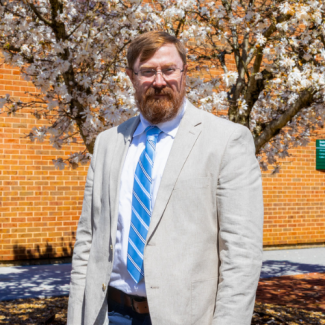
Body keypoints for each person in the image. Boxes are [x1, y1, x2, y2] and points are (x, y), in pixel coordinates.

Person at [67, 31, 264, 325]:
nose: (159, 81)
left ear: (185, 73)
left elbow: (241, 255)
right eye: (147, 72)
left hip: (185, 316)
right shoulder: (108, 143)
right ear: (132, 77)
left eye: (169, 69)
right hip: (109, 314)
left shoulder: (226, 141)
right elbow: (88, 240)